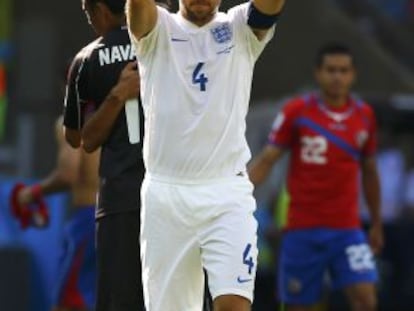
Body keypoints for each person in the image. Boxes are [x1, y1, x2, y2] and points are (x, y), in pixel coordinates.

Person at [126, 0, 285, 310]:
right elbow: (138, 13)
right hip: (166, 195)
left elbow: (269, 7)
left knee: (233, 304)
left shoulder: (240, 26)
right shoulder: (158, 27)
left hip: (226, 194)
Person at [249, 43, 383, 311]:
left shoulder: (364, 116)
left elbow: (369, 172)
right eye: (331, 70)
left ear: (353, 74)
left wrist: (376, 223)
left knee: (366, 298)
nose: (337, 76)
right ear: (318, 73)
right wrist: (236, 197)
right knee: (300, 305)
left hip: (347, 229)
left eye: (343, 70)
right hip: (302, 229)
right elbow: (267, 159)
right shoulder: (296, 112)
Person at [62, 0, 152, 309]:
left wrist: (115, 95)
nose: (89, 21)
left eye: (88, 13)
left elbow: (79, 139)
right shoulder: (171, 42)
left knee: (118, 299)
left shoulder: (86, 59)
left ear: (101, 9)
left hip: (120, 197)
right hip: (176, 192)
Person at [11, 116, 99, 311]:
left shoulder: (73, 120)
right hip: (121, 219)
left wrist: (32, 192)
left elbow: (69, 173)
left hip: (87, 221)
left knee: (66, 304)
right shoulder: (121, 118)